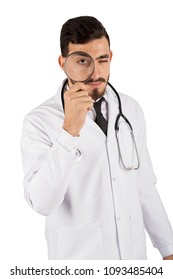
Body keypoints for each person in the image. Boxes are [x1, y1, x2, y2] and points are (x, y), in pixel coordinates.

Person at [21, 16, 173, 260]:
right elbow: (41, 203)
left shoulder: (130, 109)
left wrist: (168, 249)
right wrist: (69, 130)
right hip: (81, 262)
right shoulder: (39, 121)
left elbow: (143, 186)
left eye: (102, 60)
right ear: (63, 63)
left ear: (111, 57)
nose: (96, 72)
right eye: (83, 61)